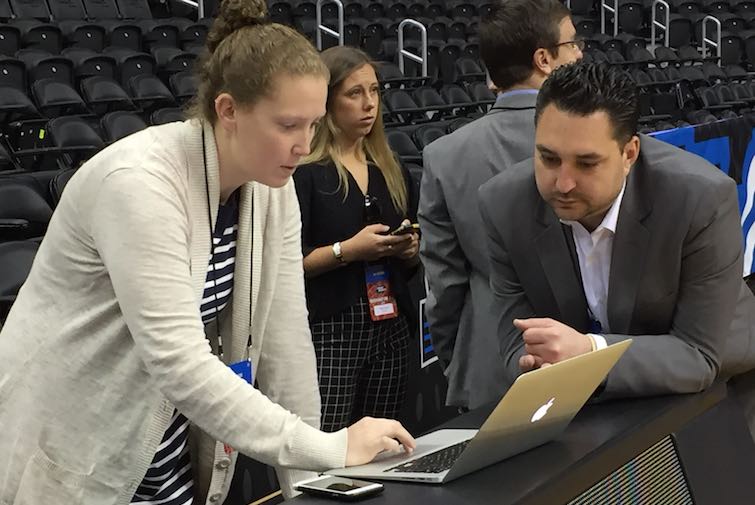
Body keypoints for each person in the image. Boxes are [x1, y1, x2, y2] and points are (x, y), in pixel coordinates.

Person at [0, 1, 416, 504]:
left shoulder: (272, 189)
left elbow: (287, 348)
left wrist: (312, 485)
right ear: (228, 111)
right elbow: (180, 363)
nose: (304, 146)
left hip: (162, 444)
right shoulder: (140, 184)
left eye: (313, 125)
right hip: (75, 440)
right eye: (288, 126)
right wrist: (329, 447)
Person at [478, 61, 755, 435]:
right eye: (548, 158)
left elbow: (697, 355)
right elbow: (516, 341)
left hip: (721, 388)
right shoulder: (503, 205)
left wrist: (588, 353)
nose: (562, 183)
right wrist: (538, 368)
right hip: (590, 402)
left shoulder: (701, 198)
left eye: (586, 163)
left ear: (629, 154)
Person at [418, 0, 583, 410]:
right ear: (544, 59)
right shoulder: (599, 141)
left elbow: (444, 283)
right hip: (594, 355)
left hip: (489, 364)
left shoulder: (444, 156)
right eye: (573, 43)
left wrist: (457, 358)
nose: (580, 53)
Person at [293, 46, 420, 433]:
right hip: (331, 327)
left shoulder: (391, 167)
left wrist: (411, 249)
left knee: (384, 439)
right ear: (327, 102)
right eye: (355, 94)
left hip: (390, 323)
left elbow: (414, 255)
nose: (369, 105)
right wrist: (346, 252)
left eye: (375, 91)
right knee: (327, 440)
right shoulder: (306, 174)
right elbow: (287, 266)